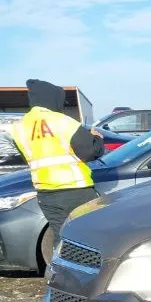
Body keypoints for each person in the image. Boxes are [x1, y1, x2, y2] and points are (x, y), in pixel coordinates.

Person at [10, 79, 104, 248]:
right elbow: (91, 152)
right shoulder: (62, 121)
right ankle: (89, 272)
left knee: (61, 237)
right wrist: (97, 138)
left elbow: (29, 157)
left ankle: (60, 270)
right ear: (52, 98)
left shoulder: (19, 127)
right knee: (88, 237)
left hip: (45, 193)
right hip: (76, 190)